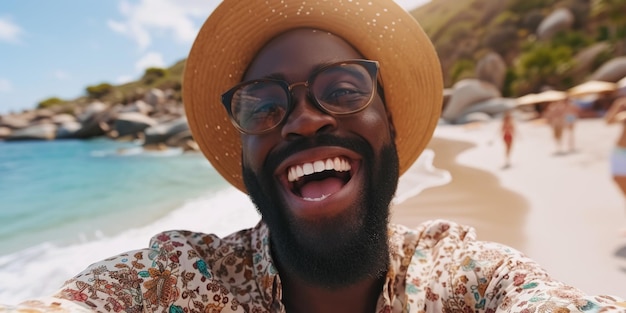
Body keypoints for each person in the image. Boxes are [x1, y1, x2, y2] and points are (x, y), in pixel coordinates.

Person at [3, 0, 626, 312]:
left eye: (345, 90)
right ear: (245, 151)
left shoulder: (467, 279)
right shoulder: (177, 279)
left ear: (394, 130)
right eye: (261, 104)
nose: (304, 117)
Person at [605, 96, 626, 233]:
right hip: (620, 150)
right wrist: (619, 109)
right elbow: (608, 121)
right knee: (617, 179)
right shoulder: (622, 103)